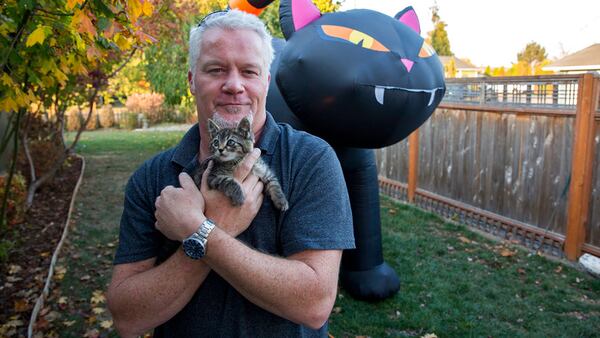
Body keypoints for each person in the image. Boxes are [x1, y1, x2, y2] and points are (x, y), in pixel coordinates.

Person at [106, 9, 355, 338]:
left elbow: (313, 304)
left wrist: (200, 231)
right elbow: (127, 318)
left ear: (266, 81)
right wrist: (219, 225)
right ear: (192, 80)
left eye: (249, 71)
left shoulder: (310, 159)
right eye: (216, 70)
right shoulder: (152, 177)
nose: (234, 85)